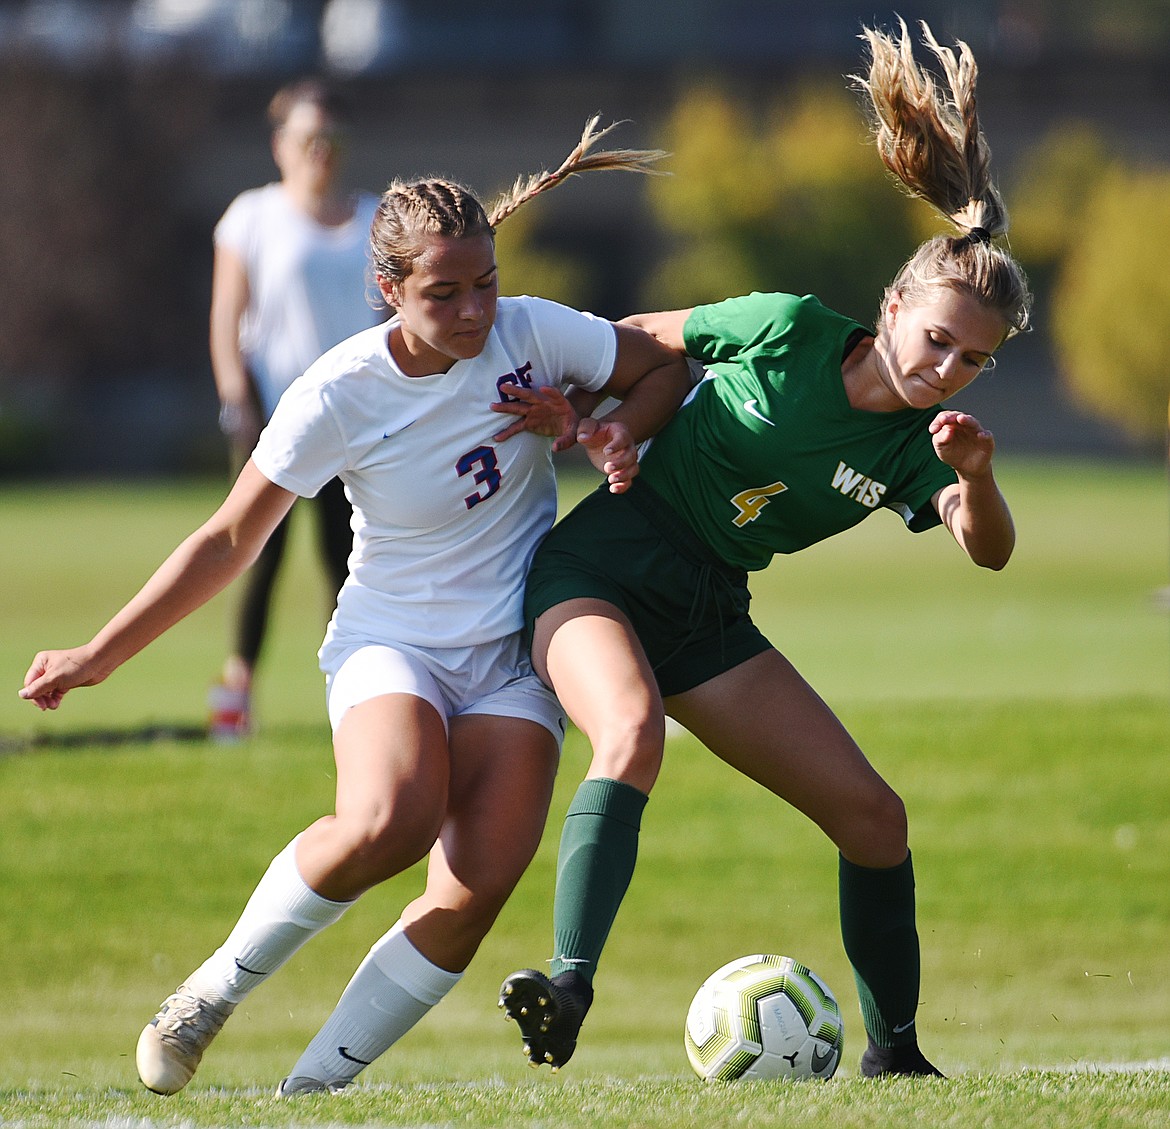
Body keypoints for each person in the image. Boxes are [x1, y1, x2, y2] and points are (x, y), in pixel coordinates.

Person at [20, 118, 693, 1096]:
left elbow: (658, 368)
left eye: (485, 283)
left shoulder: (533, 332)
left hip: (512, 655)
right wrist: (100, 653)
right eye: (444, 293)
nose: (473, 313)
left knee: (477, 885)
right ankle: (210, 993)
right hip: (395, 642)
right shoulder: (338, 392)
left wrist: (609, 430)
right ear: (390, 290)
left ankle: (313, 1092)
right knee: (389, 817)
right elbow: (227, 539)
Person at [499, 21, 1033, 1080]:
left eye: (975, 359)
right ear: (892, 306)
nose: (948, 367)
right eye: (937, 338)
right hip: (599, 566)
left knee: (875, 817)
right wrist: (603, 414)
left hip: (708, 611)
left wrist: (975, 474)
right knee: (632, 731)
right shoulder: (787, 326)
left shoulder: (922, 446)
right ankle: (566, 980)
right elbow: (645, 333)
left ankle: (899, 1055)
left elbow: (989, 554)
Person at [207, 77, 385, 740]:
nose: (321, 153)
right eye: (309, 139)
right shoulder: (252, 216)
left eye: (332, 140)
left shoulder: (373, 218)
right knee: (252, 551)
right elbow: (228, 317)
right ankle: (235, 694)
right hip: (274, 416)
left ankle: (359, 692)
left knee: (350, 559)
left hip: (356, 419)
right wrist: (236, 400)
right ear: (281, 145)